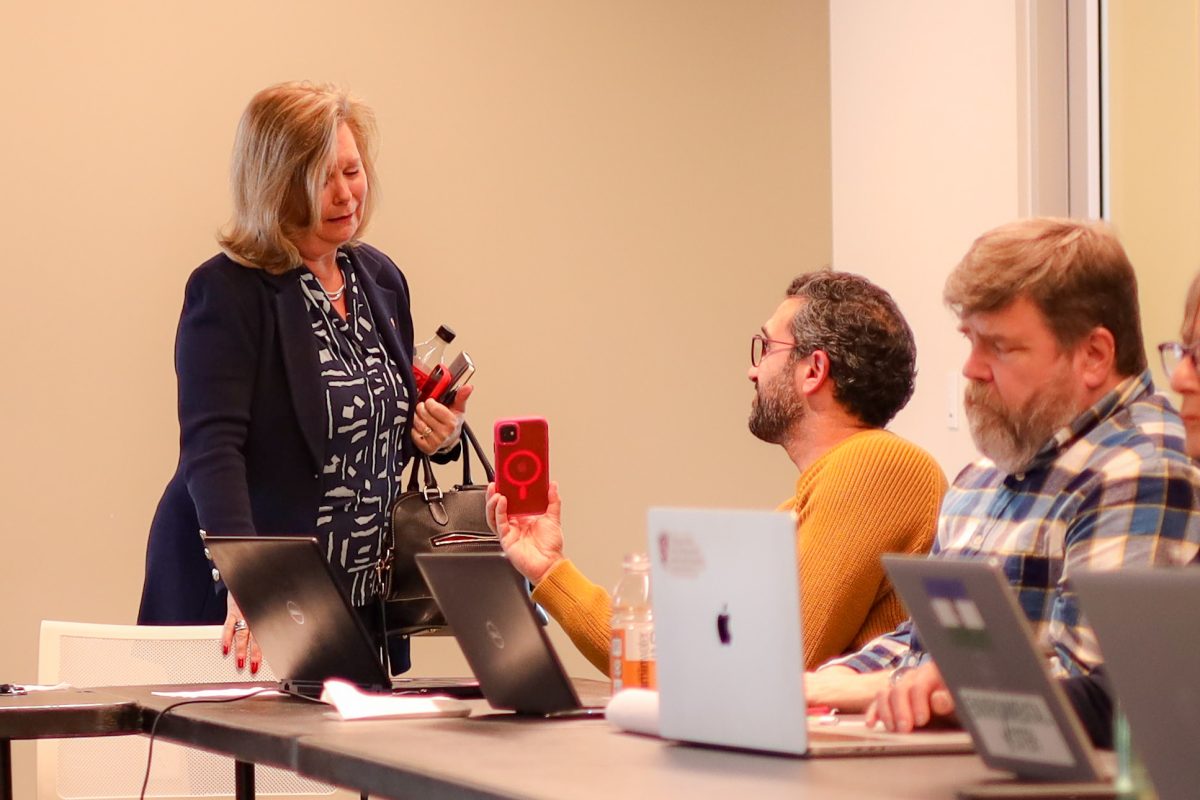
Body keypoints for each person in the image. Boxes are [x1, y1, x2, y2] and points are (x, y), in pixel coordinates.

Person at [803, 218, 1200, 732]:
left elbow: (1100, 691)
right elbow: (924, 643)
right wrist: (820, 686)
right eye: (971, 340)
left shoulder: (1143, 470)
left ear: (1094, 356)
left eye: (1000, 347)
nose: (971, 368)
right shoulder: (983, 476)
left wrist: (918, 690)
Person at [137, 82, 470, 675]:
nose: (347, 194)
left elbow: (372, 423)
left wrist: (437, 435)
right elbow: (212, 451)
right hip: (253, 601)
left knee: (354, 763)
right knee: (250, 769)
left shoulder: (380, 280)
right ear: (276, 186)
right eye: (323, 179)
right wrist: (251, 580)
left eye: (353, 170)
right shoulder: (227, 292)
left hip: (360, 597)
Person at [488, 271, 948, 674]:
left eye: (766, 347)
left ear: (814, 370)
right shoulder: (812, 499)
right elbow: (683, 661)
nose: (752, 370)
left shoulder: (879, 465)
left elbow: (771, 664)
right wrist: (549, 569)